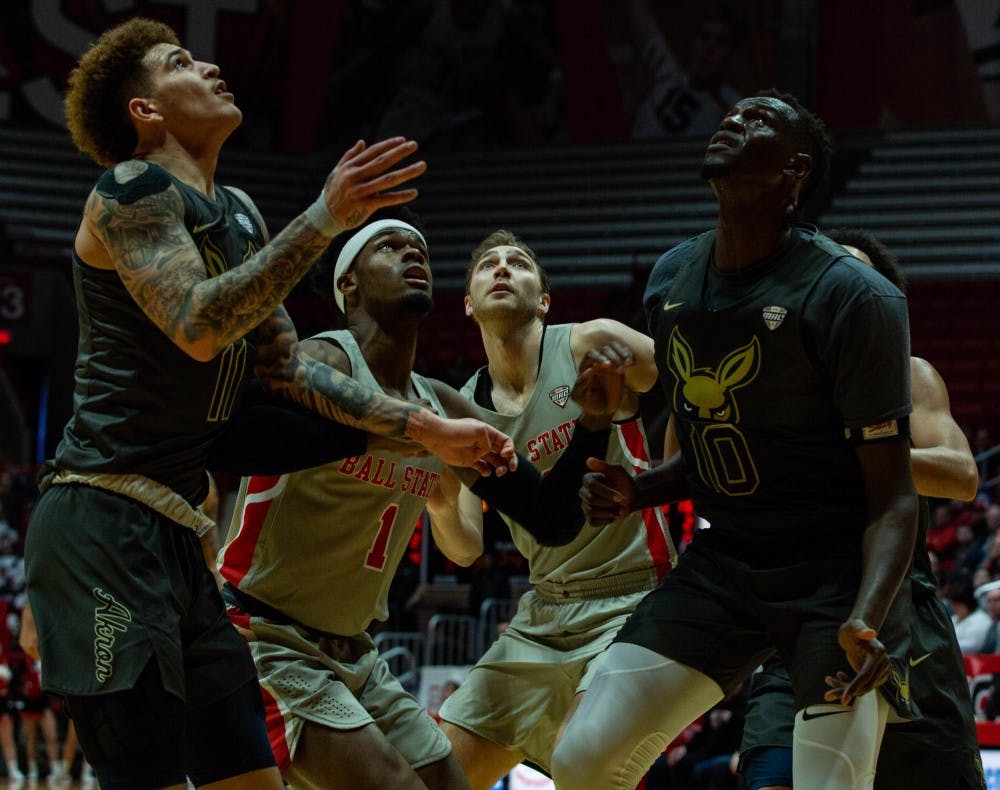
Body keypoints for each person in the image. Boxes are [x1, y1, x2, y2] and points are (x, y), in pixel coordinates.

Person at [24, 17, 519, 790]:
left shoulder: (243, 213)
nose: (212, 66)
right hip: (101, 527)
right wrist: (325, 219)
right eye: (182, 62)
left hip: (181, 535)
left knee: (248, 778)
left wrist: (426, 430)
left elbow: (286, 369)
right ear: (146, 112)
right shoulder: (129, 191)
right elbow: (196, 323)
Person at [550, 90, 919, 790]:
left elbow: (896, 498)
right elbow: (724, 447)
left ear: (794, 171)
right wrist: (641, 490)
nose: (733, 119)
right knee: (583, 759)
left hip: (834, 579)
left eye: (760, 121)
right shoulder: (670, 281)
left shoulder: (854, 297)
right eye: (733, 113)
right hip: (725, 565)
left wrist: (869, 616)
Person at [218, 212, 627, 789]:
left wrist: (592, 421)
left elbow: (548, 518)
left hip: (356, 654)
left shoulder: (440, 406)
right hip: (266, 637)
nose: (414, 255)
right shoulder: (322, 362)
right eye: (389, 248)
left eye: (421, 251)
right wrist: (403, 431)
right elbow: (233, 439)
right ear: (348, 287)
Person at [738, 228, 985, 790]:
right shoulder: (766, 389)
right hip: (797, 613)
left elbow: (961, 474)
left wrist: (850, 447)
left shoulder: (909, 373)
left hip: (903, 616)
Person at [435, 230, 675, 788]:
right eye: (487, 266)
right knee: (433, 776)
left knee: (582, 765)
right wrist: (440, 499)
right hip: (543, 611)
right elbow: (466, 548)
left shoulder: (591, 342)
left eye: (517, 264)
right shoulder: (467, 409)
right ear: (468, 303)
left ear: (543, 299)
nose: (501, 270)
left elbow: (694, 384)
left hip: (636, 597)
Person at [628, 0, 743, 139]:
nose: (709, 48)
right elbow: (639, 14)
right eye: (704, 37)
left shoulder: (733, 107)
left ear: (732, 55)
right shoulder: (664, 74)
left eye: (720, 41)